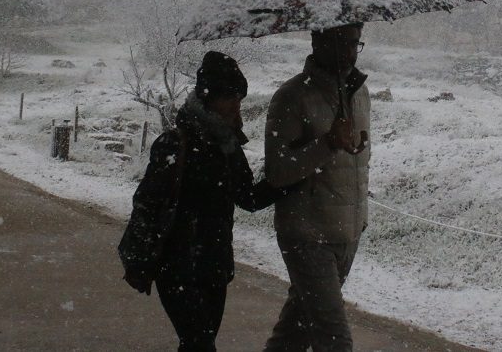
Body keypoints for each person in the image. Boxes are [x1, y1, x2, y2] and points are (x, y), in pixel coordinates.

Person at [122, 51, 287, 352]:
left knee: (197, 344)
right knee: (199, 344)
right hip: (177, 268)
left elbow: (248, 198)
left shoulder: (228, 145)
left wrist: (291, 177)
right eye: (231, 97)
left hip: (214, 267)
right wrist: (140, 259)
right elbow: (146, 202)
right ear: (209, 96)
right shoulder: (176, 143)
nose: (237, 105)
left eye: (239, 97)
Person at [263, 23, 371, 352]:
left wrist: (359, 218)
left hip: (346, 233)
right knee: (334, 339)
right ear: (317, 40)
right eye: (342, 43)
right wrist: (326, 144)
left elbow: (358, 163)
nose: (350, 52)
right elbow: (277, 172)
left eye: (355, 43)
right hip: (307, 236)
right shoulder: (291, 97)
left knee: (295, 331)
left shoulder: (360, 92)